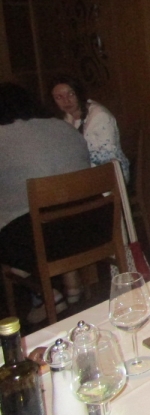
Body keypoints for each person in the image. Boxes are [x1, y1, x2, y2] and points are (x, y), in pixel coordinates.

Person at [0, 82, 92, 323]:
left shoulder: (4, 137)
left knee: (13, 224)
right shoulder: (64, 127)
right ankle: (72, 286)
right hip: (91, 227)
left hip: (44, 237)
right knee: (51, 208)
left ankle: (44, 293)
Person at [50, 76, 130, 183]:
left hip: (109, 177)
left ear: (79, 93)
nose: (66, 101)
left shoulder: (100, 116)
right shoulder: (64, 118)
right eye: (59, 97)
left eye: (71, 94)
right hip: (80, 175)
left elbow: (107, 159)